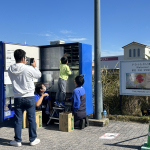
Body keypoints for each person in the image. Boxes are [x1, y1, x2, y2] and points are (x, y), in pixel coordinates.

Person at [8, 49, 41, 147]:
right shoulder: (28, 68)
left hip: (17, 97)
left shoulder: (10, 69)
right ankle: (32, 139)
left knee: (18, 119)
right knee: (31, 119)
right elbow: (38, 75)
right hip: (29, 96)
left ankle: (18, 141)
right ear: (23, 58)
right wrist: (34, 66)